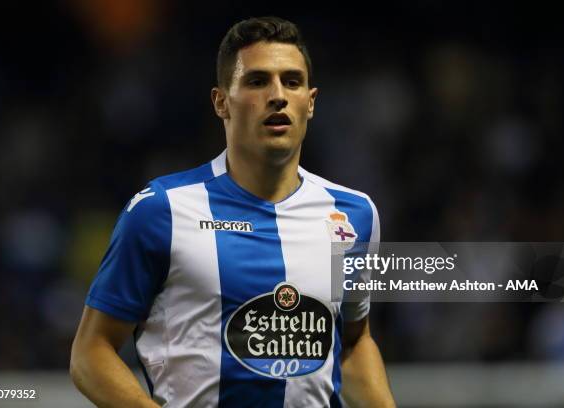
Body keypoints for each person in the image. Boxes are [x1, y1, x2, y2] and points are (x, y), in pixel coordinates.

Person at [70, 16, 396, 408]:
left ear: (310, 102)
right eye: (257, 81)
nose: (278, 95)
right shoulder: (161, 210)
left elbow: (354, 340)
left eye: (291, 82)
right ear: (221, 101)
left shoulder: (354, 214)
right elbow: (91, 353)